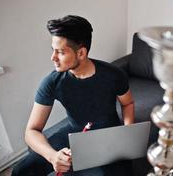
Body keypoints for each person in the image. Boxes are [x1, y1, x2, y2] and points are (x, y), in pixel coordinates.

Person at [12, 15, 135, 176]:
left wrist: (127, 132)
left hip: (108, 136)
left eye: (61, 52)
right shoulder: (52, 82)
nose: (53, 58)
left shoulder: (114, 75)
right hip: (73, 132)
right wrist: (52, 156)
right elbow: (31, 131)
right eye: (53, 51)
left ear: (81, 53)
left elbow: (127, 104)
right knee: (21, 171)